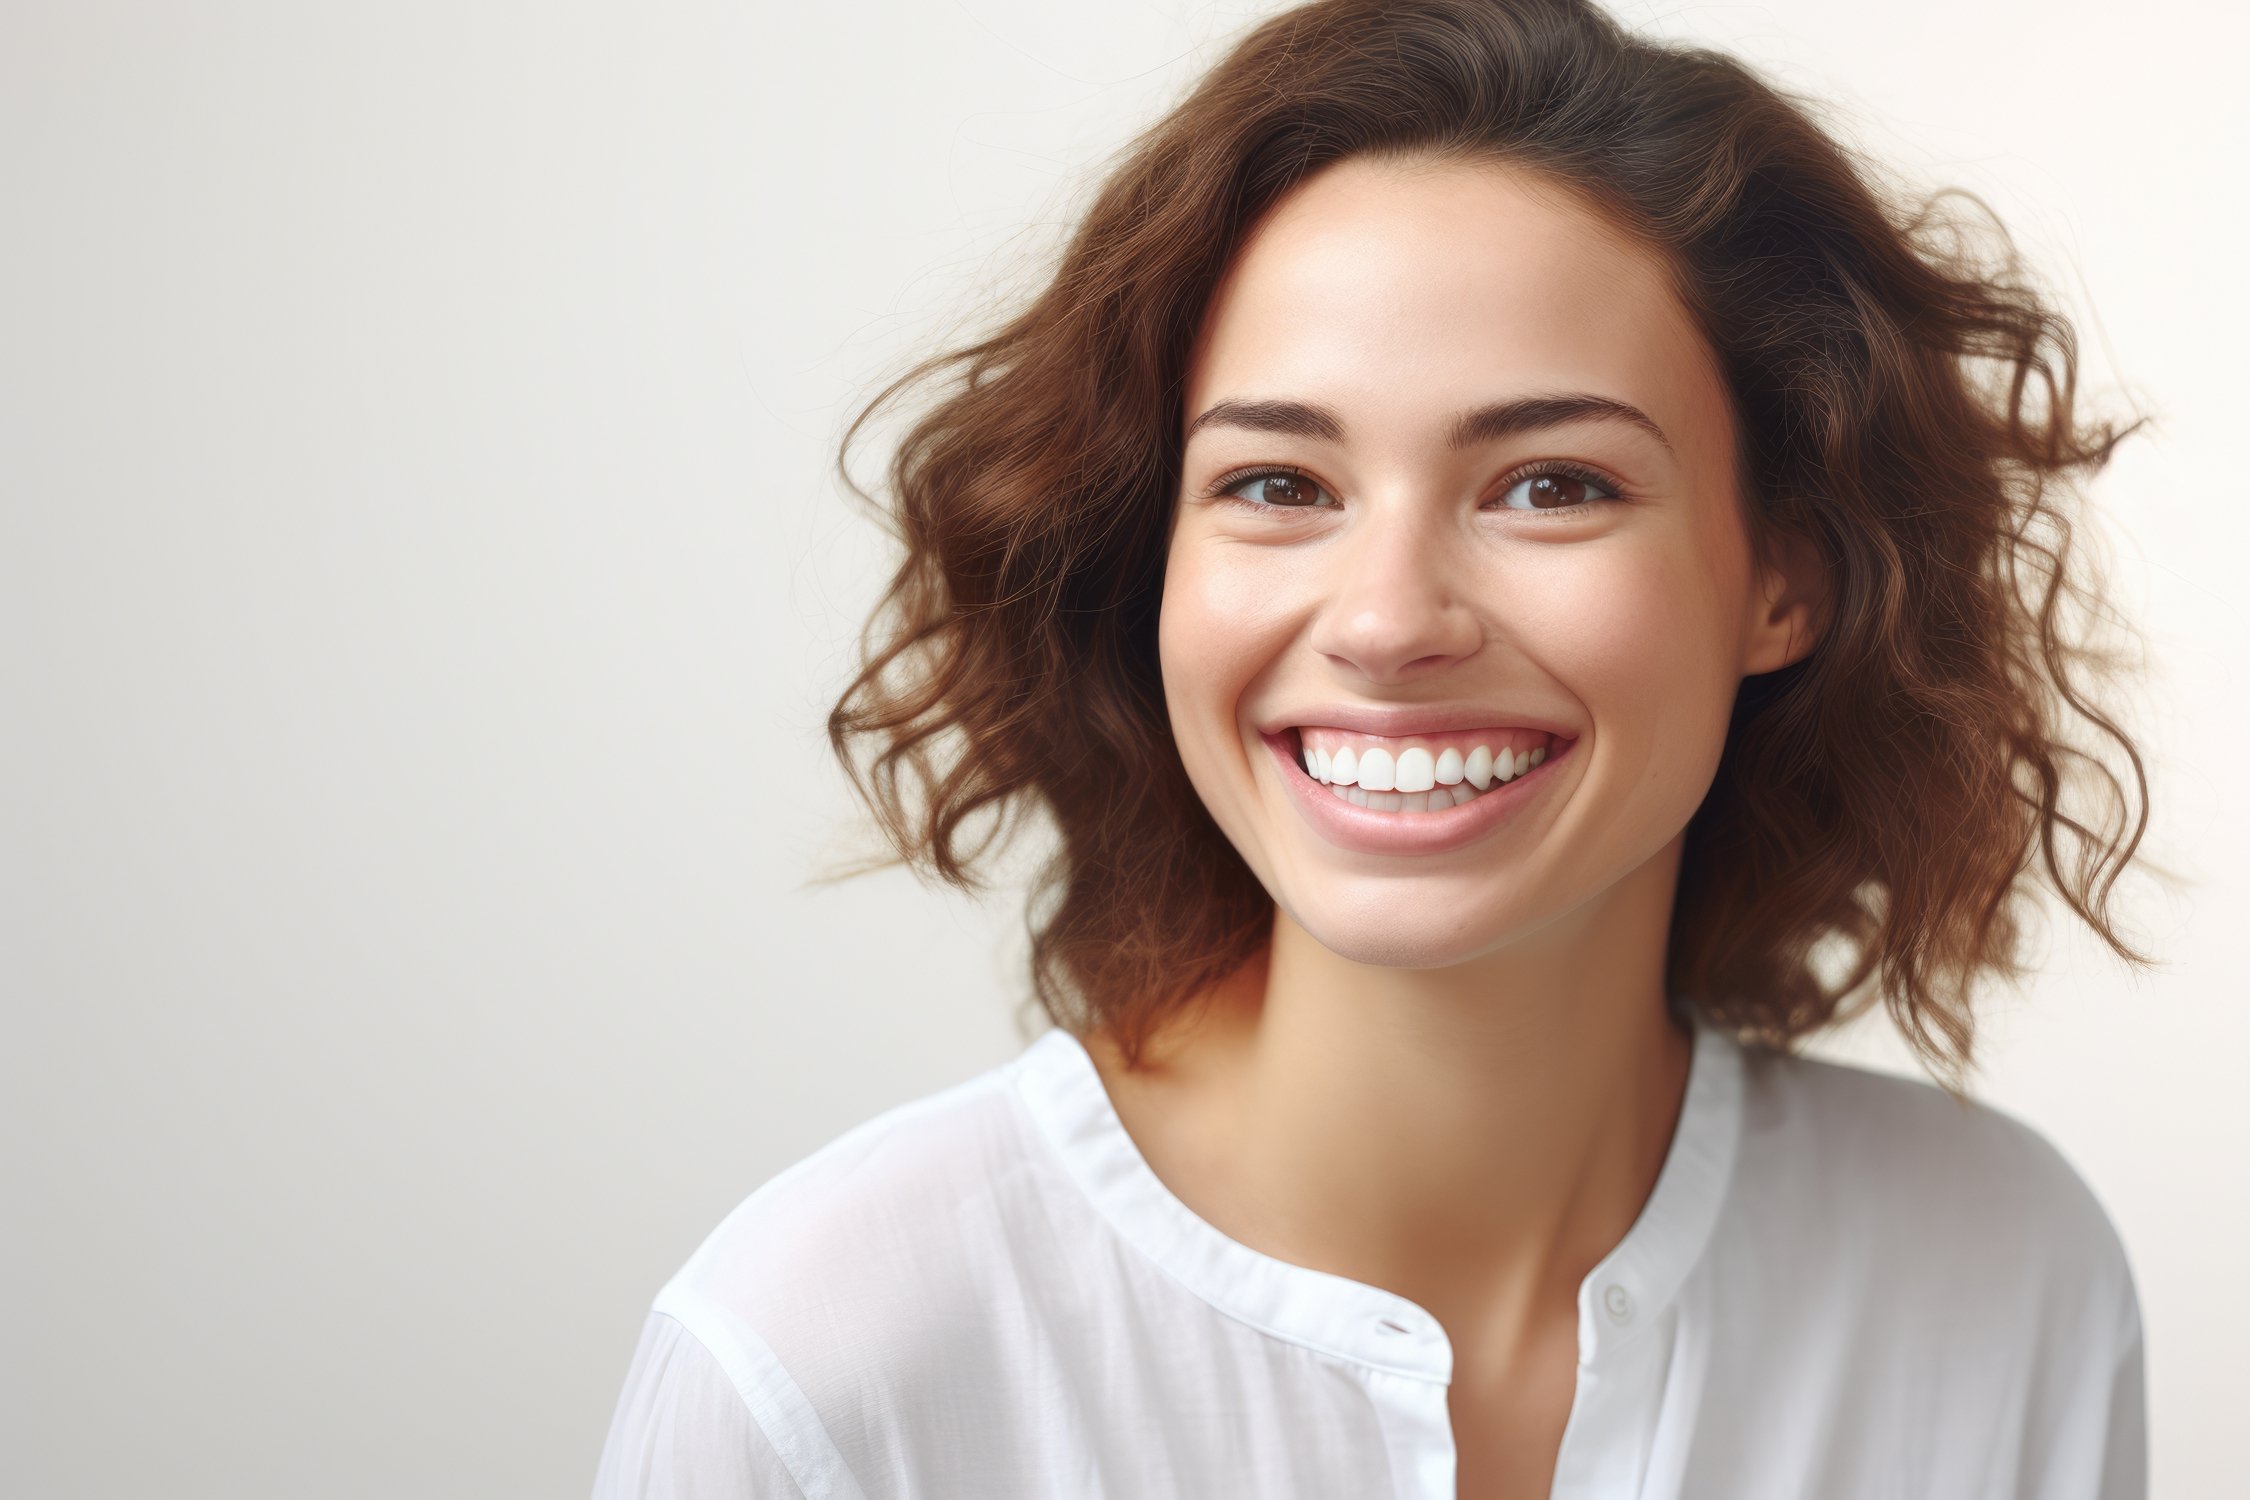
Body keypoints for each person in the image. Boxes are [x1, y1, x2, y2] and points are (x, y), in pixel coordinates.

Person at [593, 1, 2155, 1495]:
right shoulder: (830, 1360)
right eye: (1277, 484)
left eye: (1550, 485)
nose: (1386, 621)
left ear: (1785, 575)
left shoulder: (1999, 1283)